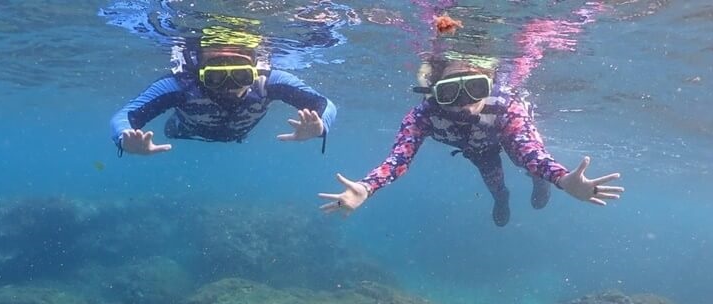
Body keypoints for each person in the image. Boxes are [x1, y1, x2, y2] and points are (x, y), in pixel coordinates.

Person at [318, 55, 622, 225]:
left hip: (504, 133)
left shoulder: (506, 106)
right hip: (477, 149)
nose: (464, 104)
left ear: (489, 85)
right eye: (451, 92)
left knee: (527, 161)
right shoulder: (422, 115)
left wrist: (560, 179)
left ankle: (539, 182)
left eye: (474, 89)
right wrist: (367, 187)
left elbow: (530, 149)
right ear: (434, 91)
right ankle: (501, 198)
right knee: (493, 180)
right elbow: (399, 159)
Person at [111, 27, 337, 157]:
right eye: (215, 77)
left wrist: (320, 127)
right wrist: (125, 139)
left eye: (241, 75)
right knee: (173, 129)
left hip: (238, 133)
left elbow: (325, 104)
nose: (229, 86)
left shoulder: (268, 81)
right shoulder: (180, 86)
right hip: (183, 131)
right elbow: (124, 117)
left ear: (254, 69)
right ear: (199, 72)